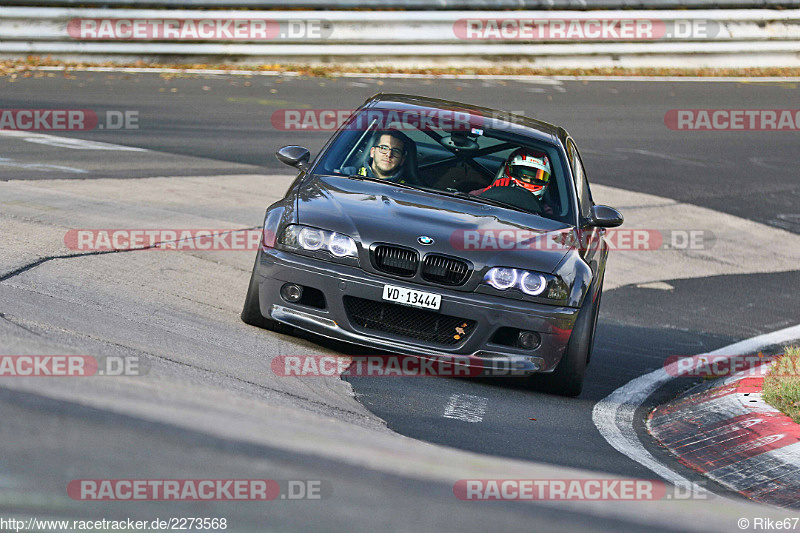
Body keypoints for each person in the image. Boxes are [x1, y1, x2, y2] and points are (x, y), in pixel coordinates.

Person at [470, 147, 553, 214]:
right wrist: (492, 191)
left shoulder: (545, 212)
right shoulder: (485, 192)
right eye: (523, 175)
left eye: (536, 178)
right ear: (507, 170)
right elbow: (468, 203)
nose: (528, 180)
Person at [345, 130, 414, 184]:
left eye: (396, 151)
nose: (389, 154)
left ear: (402, 160)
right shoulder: (347, 175)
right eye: (384, 148)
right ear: (372, 152)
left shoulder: (407, 190)